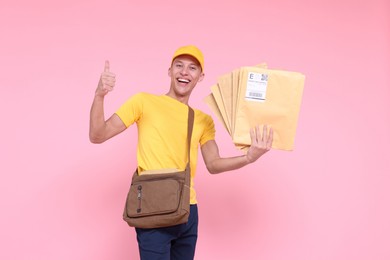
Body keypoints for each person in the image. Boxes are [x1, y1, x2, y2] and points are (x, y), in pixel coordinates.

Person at [89, 45, 273, 260]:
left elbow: (213, 164)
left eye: (192, 68)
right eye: (179, 66)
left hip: (188, 210)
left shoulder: (203, 120)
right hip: (153, 207)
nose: (185, 72)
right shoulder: (143, 102)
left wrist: (249, 157)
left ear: (200, 77)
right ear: (170, 71)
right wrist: (100, 95)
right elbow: (98, 135)